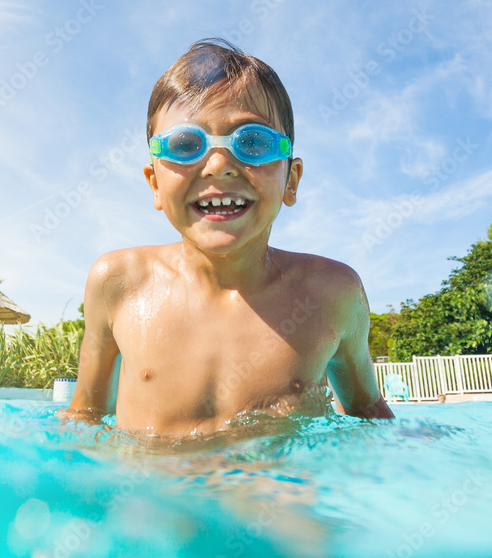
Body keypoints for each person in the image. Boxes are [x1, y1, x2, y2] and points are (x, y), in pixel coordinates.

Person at [60, 39, 393, 437]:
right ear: (154, 184)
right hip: (153, 497)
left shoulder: (333, 294)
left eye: (252, 142)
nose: (218, 166)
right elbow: (85, 417)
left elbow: (367, 411)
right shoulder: (118, 283)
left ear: (292, 180)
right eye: (185, 145)